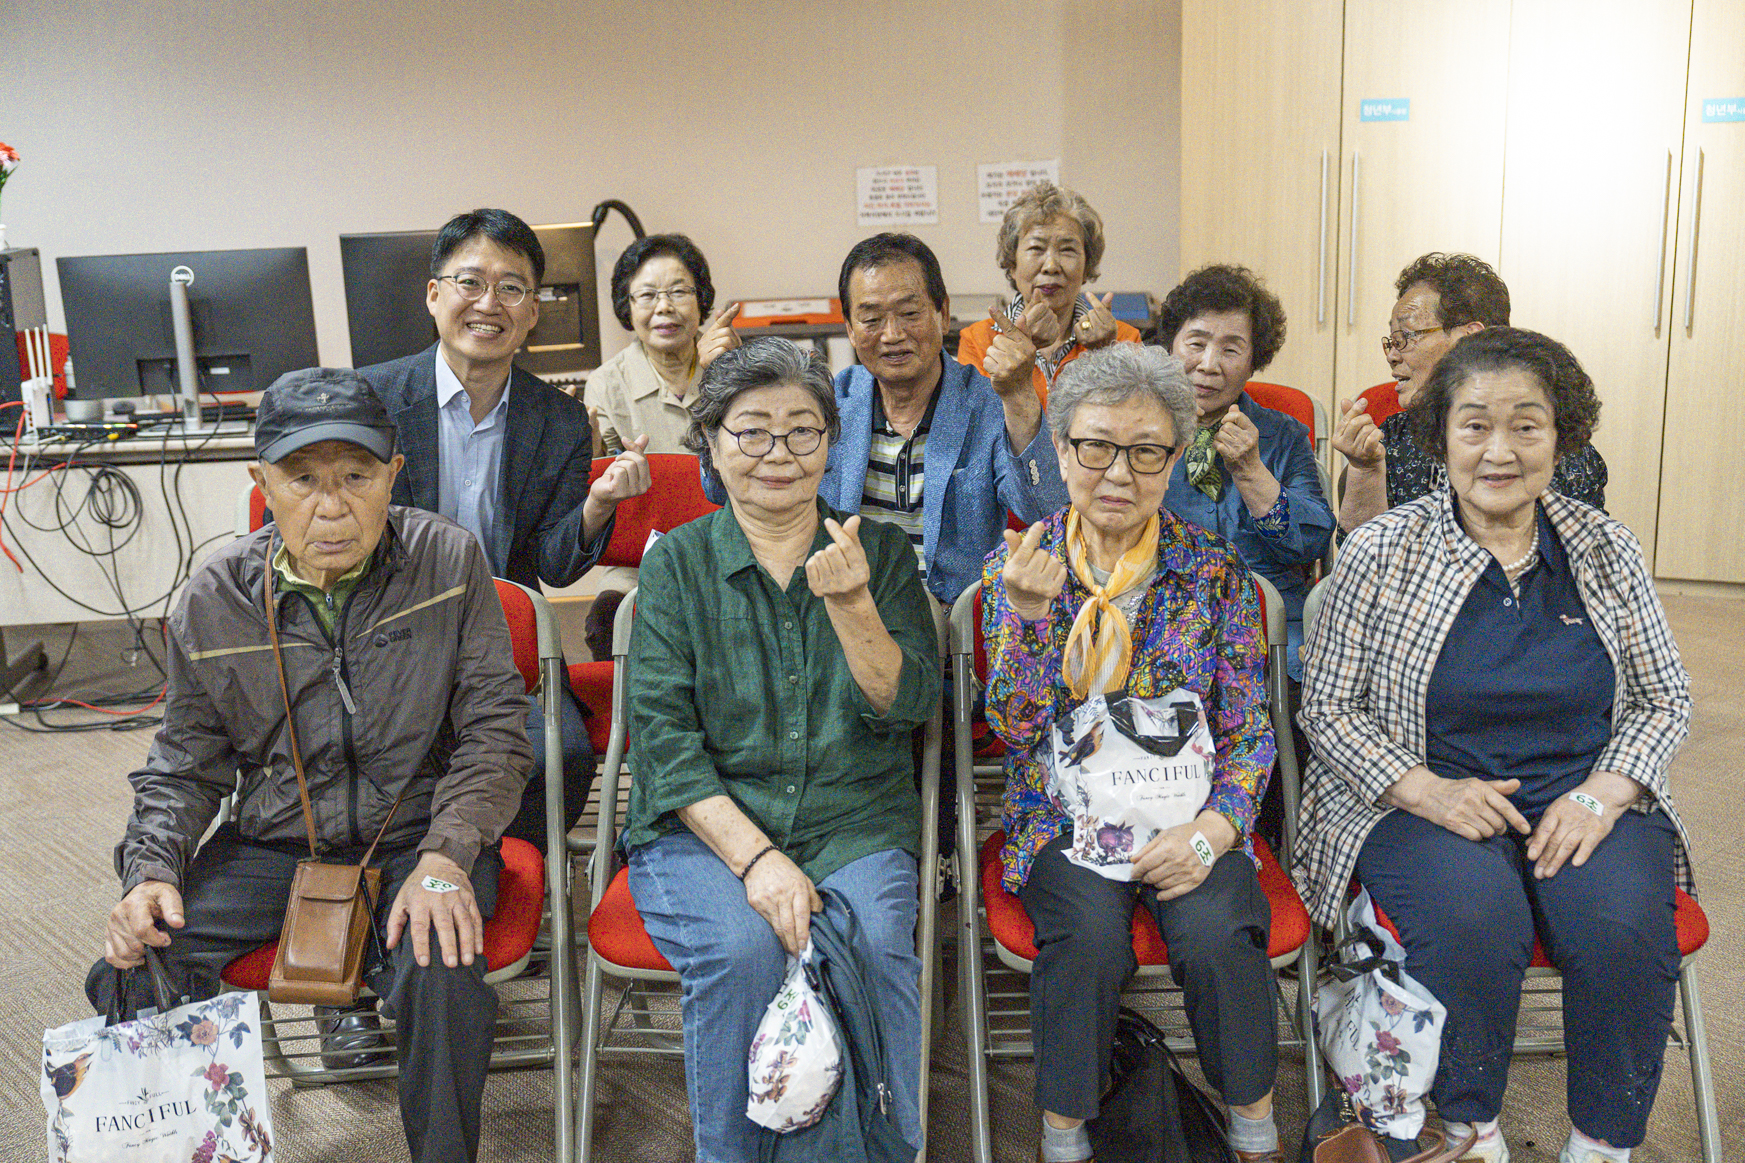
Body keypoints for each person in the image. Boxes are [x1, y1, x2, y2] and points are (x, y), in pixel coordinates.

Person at [87, 368, 532, 1163]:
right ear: (261, 483)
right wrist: (148, 871)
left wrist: (448, 854)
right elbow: (184, 764)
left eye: (356, 476)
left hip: (418, 834)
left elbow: (494, 731)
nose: (332, 506)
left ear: (393, 475)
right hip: (276, 841)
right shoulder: (214, 596)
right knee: (138, 957)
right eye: (302, 480)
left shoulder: (446, 560)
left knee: (440, 958)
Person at [1296, 329, 1695, 1163]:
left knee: (1621, 927)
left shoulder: (1605, 547)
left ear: (1560, 436)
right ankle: (1468, 1128)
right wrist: (1426, 789)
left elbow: (1664, 697)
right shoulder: (1380, 551)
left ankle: (1601, 1144)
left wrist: (1602, 793)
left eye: (1525, 425)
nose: (1499, 451)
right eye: (1474, 425)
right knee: (1475, 918)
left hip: (1582, 790)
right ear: (1441, 436)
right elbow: (1327, 709)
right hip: (1420, 792)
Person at [624, 338, 942, 1162]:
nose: (779, 453)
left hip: (853, 819)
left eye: (802, 430)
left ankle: (888, 1151)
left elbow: (908, 706)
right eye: (751, 430)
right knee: (741, 950)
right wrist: (758, 859)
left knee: (872, 946)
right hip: (705, 829)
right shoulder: (677, 565)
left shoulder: (879, 553)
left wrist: (853, 603)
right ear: (710, 440)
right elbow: (664, 743)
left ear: (830, 441)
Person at [984, 343, 1284, 1163]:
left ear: (1173, 458)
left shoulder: (1213, 570)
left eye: (1145, 451)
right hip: (1065, 819)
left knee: (1218, 930)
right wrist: (1028, 620)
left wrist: (1212, 833)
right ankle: (1064, 1135)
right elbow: (1014, 730)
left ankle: (1253, 1129)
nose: (1117, 472)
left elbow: (1248, 731)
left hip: (1188, 813)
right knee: (1086, 937)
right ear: (1060, 450)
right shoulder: (1019, 565)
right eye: (1095, 447)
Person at [359, 208, 651, 850]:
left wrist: (597, 505)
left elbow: (553, 567)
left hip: (505, 652)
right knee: (378, 758)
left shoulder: (560, 420)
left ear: (534, 310)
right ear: (434, 294)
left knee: (561, 757)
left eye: (512, 288)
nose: (489, 304)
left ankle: (508, 871)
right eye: (470, 282)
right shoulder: (371, 402)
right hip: (387, 646)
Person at [1333, 252, 1608, 534]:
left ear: (1470, 338)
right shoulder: (1393, 438)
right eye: (1391, 340)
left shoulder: (1558, 446)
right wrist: (1365, 471)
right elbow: (1361, 556)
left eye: (1405, 338)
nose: (1392, 355)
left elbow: (1581, 552)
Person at [1160, 264, 1333, 679]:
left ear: (1255, 361)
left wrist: (1252, 471)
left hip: (1271, 623)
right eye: (1196, 343)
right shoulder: (1137, 432)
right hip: (1164, 616)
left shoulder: (1283, 435)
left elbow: (1311, 544)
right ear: (1171, 346)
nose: (1208, 365)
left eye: (1231, 350)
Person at [956, 181, 1142, 404]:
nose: (1051, 266)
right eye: (1036, 248)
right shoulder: (977, 341)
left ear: (1087, 267)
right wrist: (1021, 348)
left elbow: (1134, 415)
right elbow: (974, 421)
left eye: (1067, 249)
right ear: (1012, 264)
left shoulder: (1122, 339)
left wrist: (1104, 355)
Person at [581, 232, 742, 455]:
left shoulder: (729, 360)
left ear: (701, 299)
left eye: (678, 291)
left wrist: (739, 372)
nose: (664, 306)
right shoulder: (605, 385)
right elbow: (603, 468)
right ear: (627, 307)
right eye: (647, 295)